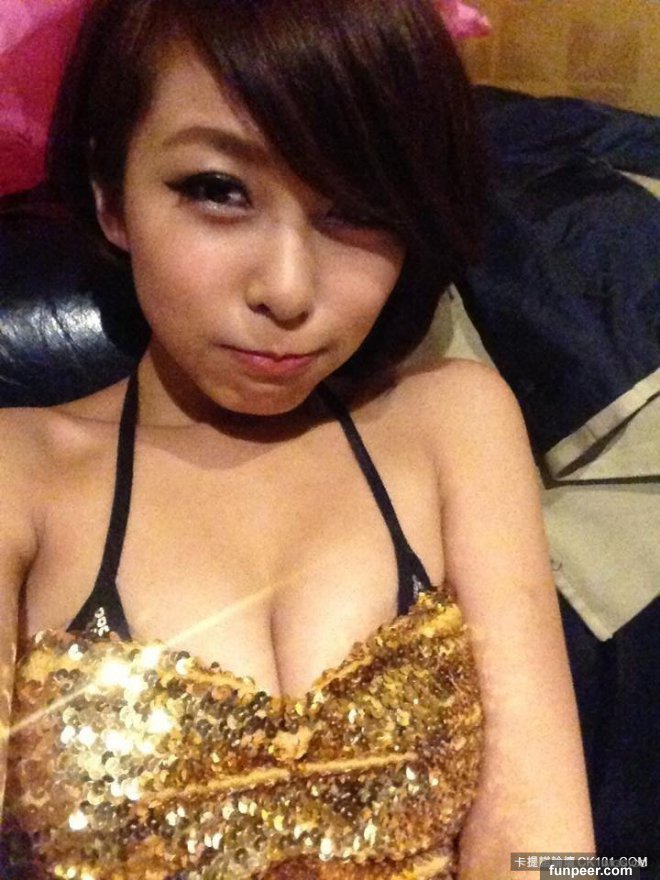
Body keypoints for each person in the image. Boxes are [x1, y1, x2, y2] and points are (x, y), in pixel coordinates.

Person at [0, 0, 594, 877]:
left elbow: (548, 852)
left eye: (355, 208)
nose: (287, 290)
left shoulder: (455, 422)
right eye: (218, 190)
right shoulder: (18, 473)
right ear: (111, 194)